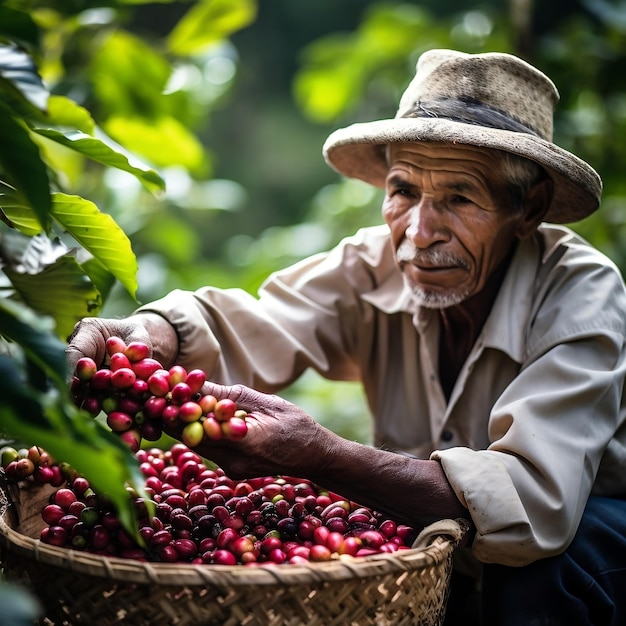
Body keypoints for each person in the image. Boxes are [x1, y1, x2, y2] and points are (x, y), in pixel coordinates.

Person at [66, 49, 626, 625]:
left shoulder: (579, 293)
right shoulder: (370, 262)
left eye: (459, 198)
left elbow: (533, 506)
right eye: (404, 191)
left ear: (527, 209)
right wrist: (143, 337)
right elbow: (260, 321)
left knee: (545, 569)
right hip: (443, 545)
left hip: (587, 549)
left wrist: (321, 456)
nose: (419, 232)